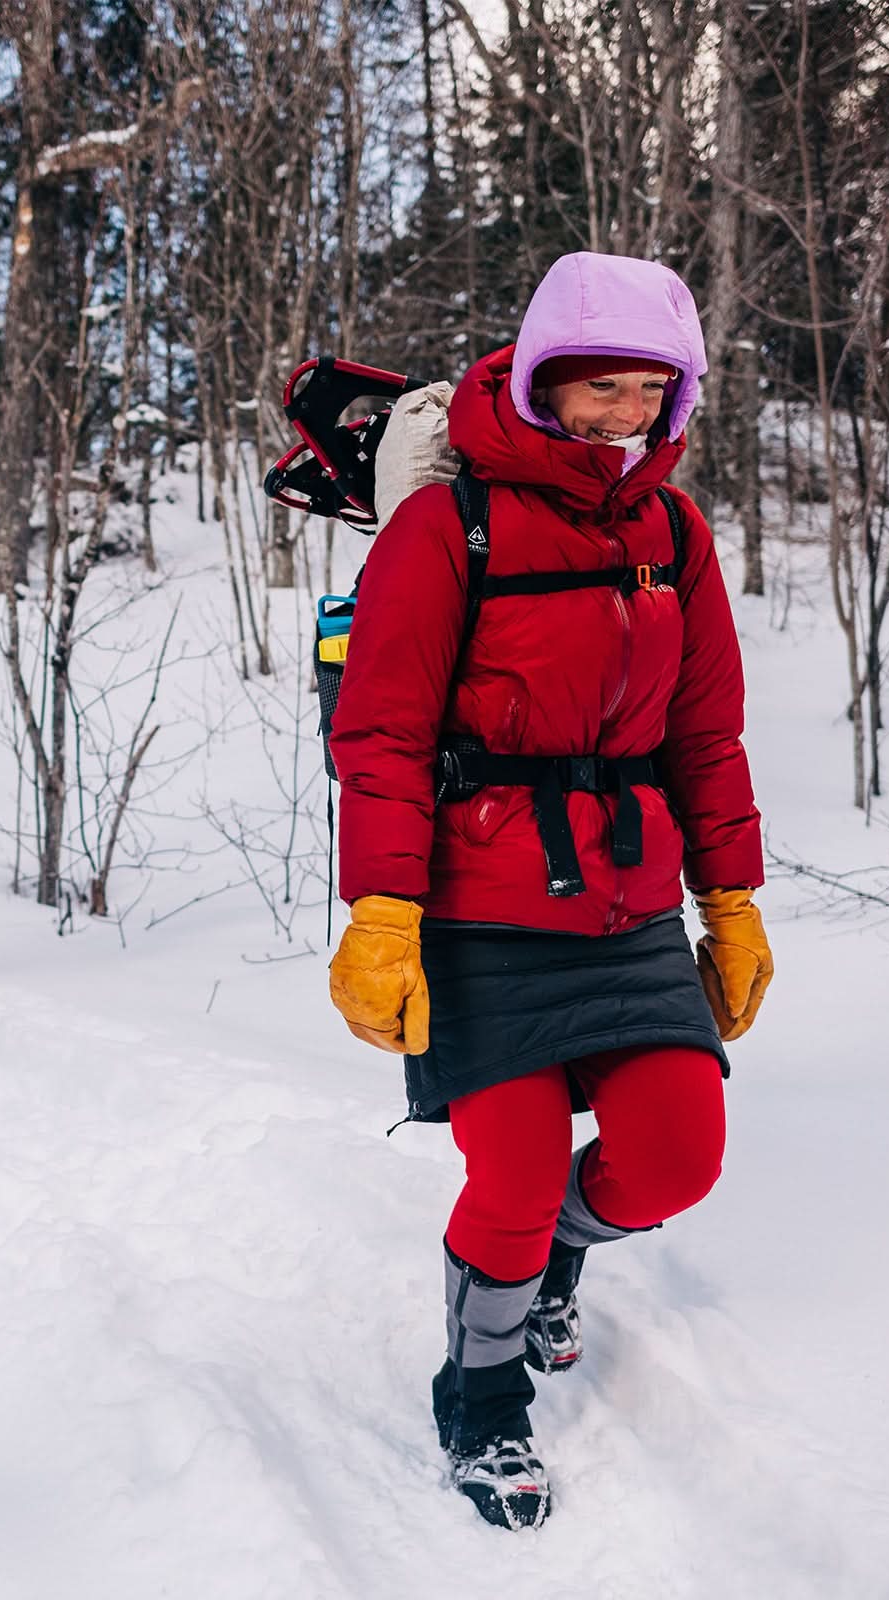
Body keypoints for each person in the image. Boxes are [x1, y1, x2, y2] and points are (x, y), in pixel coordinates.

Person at [325, 252, 773, 1530]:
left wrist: (730, 900)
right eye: (599, 386)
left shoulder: (674, 533)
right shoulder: (447, 526)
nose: (626, 414)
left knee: (674, 1157)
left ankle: (560, 1257)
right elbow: (384, 734)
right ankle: (480, 1392)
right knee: (513, 1175)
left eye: (651, 389)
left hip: (627, 903)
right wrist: (383, 911)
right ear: (539, 380)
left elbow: (706, 736)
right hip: (479, 908)